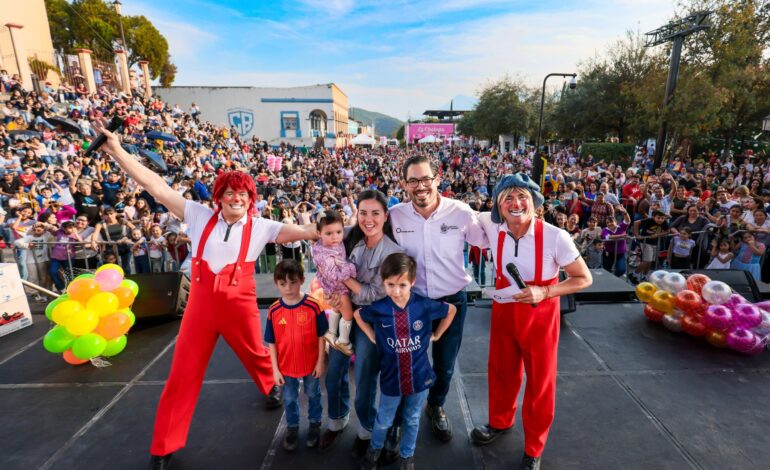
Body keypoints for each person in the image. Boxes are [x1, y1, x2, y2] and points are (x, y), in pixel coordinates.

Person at [94, 122, 318, 470]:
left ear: (251, 198)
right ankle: (164, 444)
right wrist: (117, 151)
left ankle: (270, 385)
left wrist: (351, 228)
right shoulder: (197, 215)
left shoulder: (262, 227)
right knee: (182, 372)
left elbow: (307, 231)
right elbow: (155, 185)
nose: (237, 198)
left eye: (243, 194)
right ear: (219, 196)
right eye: (230, 193)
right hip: (200, 306)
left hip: (239, 302)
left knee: (256, 352)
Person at [471, 173, 592, 470]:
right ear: (498, 205)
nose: (516, 203)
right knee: (500, 370)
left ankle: (534, 447)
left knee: (540, 383)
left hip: (540, 317)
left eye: (522, 197)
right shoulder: (490, 224)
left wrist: (546, 291)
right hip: (503, 311)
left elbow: (584, 278)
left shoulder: (555, 236)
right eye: (508, 198)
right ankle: (499, 422)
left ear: (534, 203)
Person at [389, 155, 487, 442]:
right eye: (413, 181)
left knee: (444, 364)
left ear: (437, 179)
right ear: (404, 184)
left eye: (425, 179)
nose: (420, 186)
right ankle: (400, 418)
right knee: (406, 364)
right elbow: (362, 233)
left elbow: (490, 239)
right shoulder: (395, 216)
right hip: (412, 303)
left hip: (451, 302)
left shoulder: (461, 212)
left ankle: (436, 405)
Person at [320, 190, 404, 462]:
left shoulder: (392, 251)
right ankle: (336, 420)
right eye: (363, 212)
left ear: (385, 216)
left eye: (375, 213)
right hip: (347, 312)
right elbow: (325, 249)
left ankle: (366, 431)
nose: (369, 219)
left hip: (372, 319)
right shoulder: (351, 238)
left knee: (366, 375)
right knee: (333, 372)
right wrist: (334, 293)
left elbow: (373, 294)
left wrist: (343, 282)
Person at [356, 252, 457, 470]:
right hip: (392, 379)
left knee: (412, 419)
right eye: (390, 284)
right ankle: (374, 451)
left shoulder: (423, 305)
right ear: (383, 283)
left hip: (419, 378)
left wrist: (438, 334)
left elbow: (452, 310)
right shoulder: (380, 308)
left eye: (402, 285)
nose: (396, 291)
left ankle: (407, 456)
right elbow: (358, 315)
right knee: (383, 420)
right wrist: (371, 335)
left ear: (412, 282)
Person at [265, 259, 327, 452]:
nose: (288, 288)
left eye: (293, 282)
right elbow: (272, 343)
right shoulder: (274, 311)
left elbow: (321, 336)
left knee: (313, 395)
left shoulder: (314, 306)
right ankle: (292, 428)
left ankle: (315, 424)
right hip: (286, 367)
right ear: (276, 284)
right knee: (290, 398)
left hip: (310, 364)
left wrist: (320, 362)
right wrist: (275, 370)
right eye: (283, 284)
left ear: (301, 280)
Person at [311, 211, 357, 355]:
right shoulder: (324, 254)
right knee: (348, 314)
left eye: (338, 232)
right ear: (319, 233)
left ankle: (331, 332)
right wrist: (350, 267)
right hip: (338, 288)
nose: (335, 237)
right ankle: (343, 340)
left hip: (334, 287)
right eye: (329, 233)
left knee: (337, 310)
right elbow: (334, 275)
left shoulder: (333, 244)